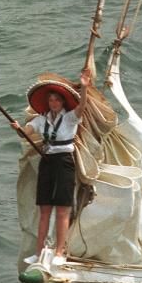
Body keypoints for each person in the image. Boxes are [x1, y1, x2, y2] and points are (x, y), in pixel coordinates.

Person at [12, 70, 90, 264]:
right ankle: (39, 253)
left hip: (64, 161)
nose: (53, 103)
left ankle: (59, 252)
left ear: (62, 102)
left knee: (63, 209)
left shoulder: (71, 117)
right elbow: (26, 132)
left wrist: (85, 87)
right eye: (51, 100)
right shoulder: (40, 120)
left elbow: (82, 107)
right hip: (46, 161)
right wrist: (18, 128)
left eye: (56, 100)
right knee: (44, 209)